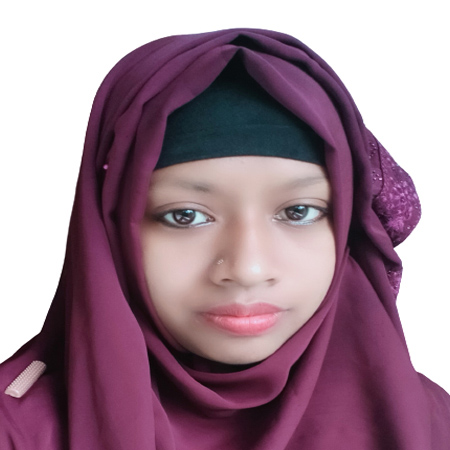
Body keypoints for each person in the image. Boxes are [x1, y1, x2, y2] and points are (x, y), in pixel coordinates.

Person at [0, 28, 449, 449]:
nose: (248, 269)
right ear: (108, 233)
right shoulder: (17, 431)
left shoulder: (432, 423)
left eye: (299, 212)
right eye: (185, 216)